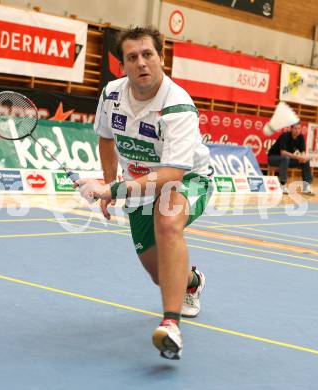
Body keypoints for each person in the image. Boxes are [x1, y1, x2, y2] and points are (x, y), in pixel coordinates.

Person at [75, 26, 212, 360]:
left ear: (161, 58)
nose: (141, 63)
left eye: (148, 54)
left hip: (187, 180)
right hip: (138, 183)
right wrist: (109, 186)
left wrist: (113, 188)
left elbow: (171, 175)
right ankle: (191, 281)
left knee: (167, 221)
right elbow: (106, 138)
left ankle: (171, 325)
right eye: (132, 57)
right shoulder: (111, 94)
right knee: (159, 274)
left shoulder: (177, 106)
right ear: (123, 65)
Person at [267, 123, 314, 195]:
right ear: (291, 129)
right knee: (285, 158)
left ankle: (306, 187)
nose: (297, 130)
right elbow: (283, 153)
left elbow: (303, 151)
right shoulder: (285, 136)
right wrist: (299, 157)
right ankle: (282, 185)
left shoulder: (300, 137)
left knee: (305, 161)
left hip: (287, 160)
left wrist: (303, 158)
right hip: (273, 158)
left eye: (299, 128)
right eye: (295, 128)